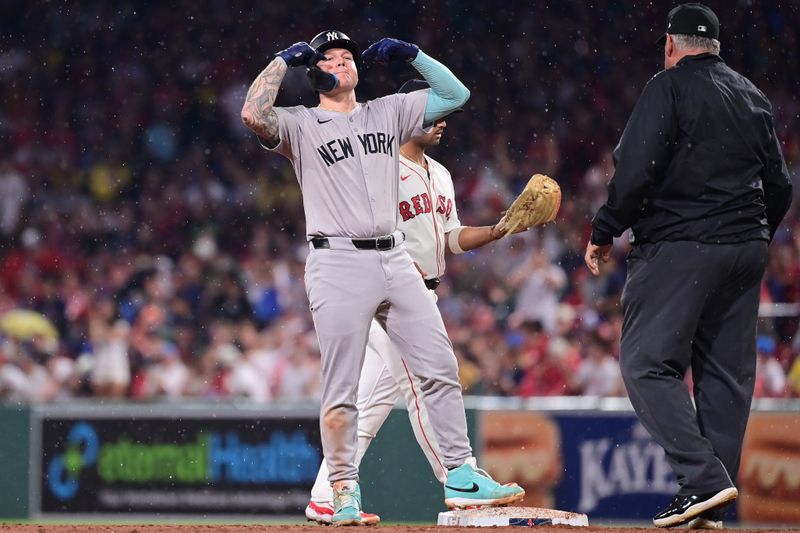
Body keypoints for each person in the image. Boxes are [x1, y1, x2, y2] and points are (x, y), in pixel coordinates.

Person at [241, 33, 523, 526]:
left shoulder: (386, 112)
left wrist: (414, 54)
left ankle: (460, 472)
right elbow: (253, 114)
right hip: (338, 260)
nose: (342, 62)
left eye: (348, 56)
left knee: (439, 366)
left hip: (395, 257)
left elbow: (456, 97)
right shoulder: (302, 123)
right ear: (316, 73)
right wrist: (282, 60)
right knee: (343, 386)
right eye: (329, 57)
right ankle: (343, 491)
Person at [584, 4, 792, 529]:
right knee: (725, 376)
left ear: (671, 45)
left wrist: (607, 227)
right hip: (744, 249)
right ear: (716, 47)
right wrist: (754, 232)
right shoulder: (752, 95)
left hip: (680, 245)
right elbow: (780, 185)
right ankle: (710, 505)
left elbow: (636, 168)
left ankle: (702, 480)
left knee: (645, 364)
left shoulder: (668, 86)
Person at [303, 79, 519, 525]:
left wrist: (497, 230)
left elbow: (450, 237)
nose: (440, 122)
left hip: (420, 292)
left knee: (370, 405)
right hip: (390, 290)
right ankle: (458, 478)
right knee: (423, 385)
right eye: (429, 113)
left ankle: (325, 495)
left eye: (442, 114)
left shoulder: (439, 173)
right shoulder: (378, 169)